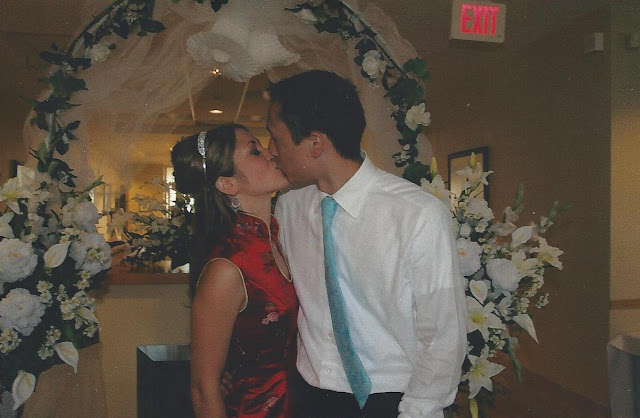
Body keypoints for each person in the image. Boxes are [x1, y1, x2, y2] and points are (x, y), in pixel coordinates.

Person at [267, 70, 467, 418]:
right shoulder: (289, 208)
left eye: (275, 138)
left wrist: (418, 412)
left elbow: (443, 335)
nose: (271, 151)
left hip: (392, 399)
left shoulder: (417, 214)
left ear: (315, 143)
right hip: (308, 394)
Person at [171, 124, 298, 418]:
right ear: (227, 184)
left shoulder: (277, 238)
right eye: (255, 151)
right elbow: (204, 389)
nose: (270, 153)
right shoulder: (227, 268)